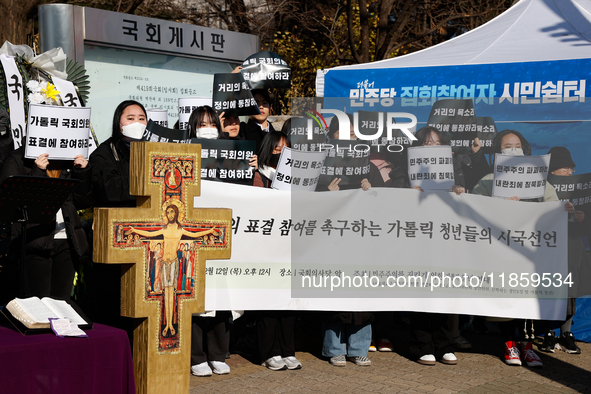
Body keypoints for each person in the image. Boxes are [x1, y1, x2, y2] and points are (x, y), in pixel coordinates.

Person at [472, 130, 575, 367]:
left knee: (528, 299)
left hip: (532, 253)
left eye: (517, 145)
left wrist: (563, 211)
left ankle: (527, 347)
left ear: (525, 149)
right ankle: (509, 345)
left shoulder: (540, 181)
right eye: (507, 146)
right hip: (502, 252)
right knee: (505, 300)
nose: (513, 149)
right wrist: (499, 207)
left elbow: (552, 207)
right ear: (498, 151)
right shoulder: (487, 181)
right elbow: (476, 212)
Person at [0, 148, 92, 300]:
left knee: (61, 304)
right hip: (34, 241)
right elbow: (10, 201)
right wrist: (38, 172)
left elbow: (82, 201)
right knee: (37, 303)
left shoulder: (68, 157)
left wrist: (83, 173)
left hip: (67, 240)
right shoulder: (17, 157)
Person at [251, 131, 301, 371]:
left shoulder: (299, 176)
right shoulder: (259, 173)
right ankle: (269, 352)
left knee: (288, 303)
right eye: (277, 149)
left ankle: (288, 350)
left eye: (286, 148)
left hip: (291, 244)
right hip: (266, 245)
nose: (281, 153)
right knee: (268, 302)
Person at [536, 146, 584, 355]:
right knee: (549, 285)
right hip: (548, 244)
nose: (569, 172)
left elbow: (585, 223)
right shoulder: (540, 187)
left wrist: (581, 218)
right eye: (565, 168)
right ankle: (548, 332)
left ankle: (566, 333)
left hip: (572, 242)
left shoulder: (580, 189)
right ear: (553, 170)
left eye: (571, 169)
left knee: (570, 288)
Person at [90, 100, 147, 208]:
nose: (137, 123)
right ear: (118, 122)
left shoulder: (151, 149)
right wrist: (148, 182)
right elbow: (109, 187)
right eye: (130, 118)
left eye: (141, 119)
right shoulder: (105, 152)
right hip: (119, 218)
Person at [240, 88, 276, 154]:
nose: (261, 106)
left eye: (264, 103)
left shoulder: (277, 136)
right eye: (256, 103)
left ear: (270, 107)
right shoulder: (241, 131)